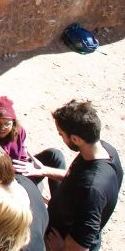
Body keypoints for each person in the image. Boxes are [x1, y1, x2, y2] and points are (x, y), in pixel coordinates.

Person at [13, 100, 122, 251]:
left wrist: (60, 248)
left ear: (76, 139)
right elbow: (78, 178)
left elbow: (80, 246)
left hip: (59, 242)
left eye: (62, 134)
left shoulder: (93, 191)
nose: (61, 138)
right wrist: (44, 170)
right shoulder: (104, 151)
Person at [0, 96, 65, 198]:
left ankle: (57, 203)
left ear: (13, 122)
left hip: (22, 172)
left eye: (7, 123)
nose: (2, 128)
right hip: (4, 183)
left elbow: (22, 154)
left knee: (55, 155)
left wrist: (29, 166)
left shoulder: (19, 132)